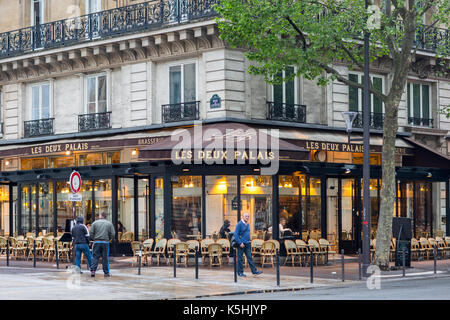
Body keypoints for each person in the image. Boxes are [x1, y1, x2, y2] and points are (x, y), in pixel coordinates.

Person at [234, 212, 262, 277]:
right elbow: (236, 234)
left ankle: (254, 271)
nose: (247, 217)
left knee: (250, 258)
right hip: (241, 244)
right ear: (243, 217)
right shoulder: (239, 224)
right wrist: (240, 243)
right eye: (246, 216)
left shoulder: (247, 224)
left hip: (247, 243)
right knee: (240, 259)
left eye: (248, 216)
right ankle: (240, 272)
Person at [89, 212, 115, 277]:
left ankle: (93, 271)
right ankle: (106, 273)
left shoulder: (95, 223)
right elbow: (113, 234)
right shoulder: (109, 223)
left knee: (95, 257)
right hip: (105, 242)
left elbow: (91, 233)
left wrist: (94, 238)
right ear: (105, 216)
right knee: (105, 258)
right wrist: (109, 239)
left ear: (100, 216)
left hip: (97, 242)